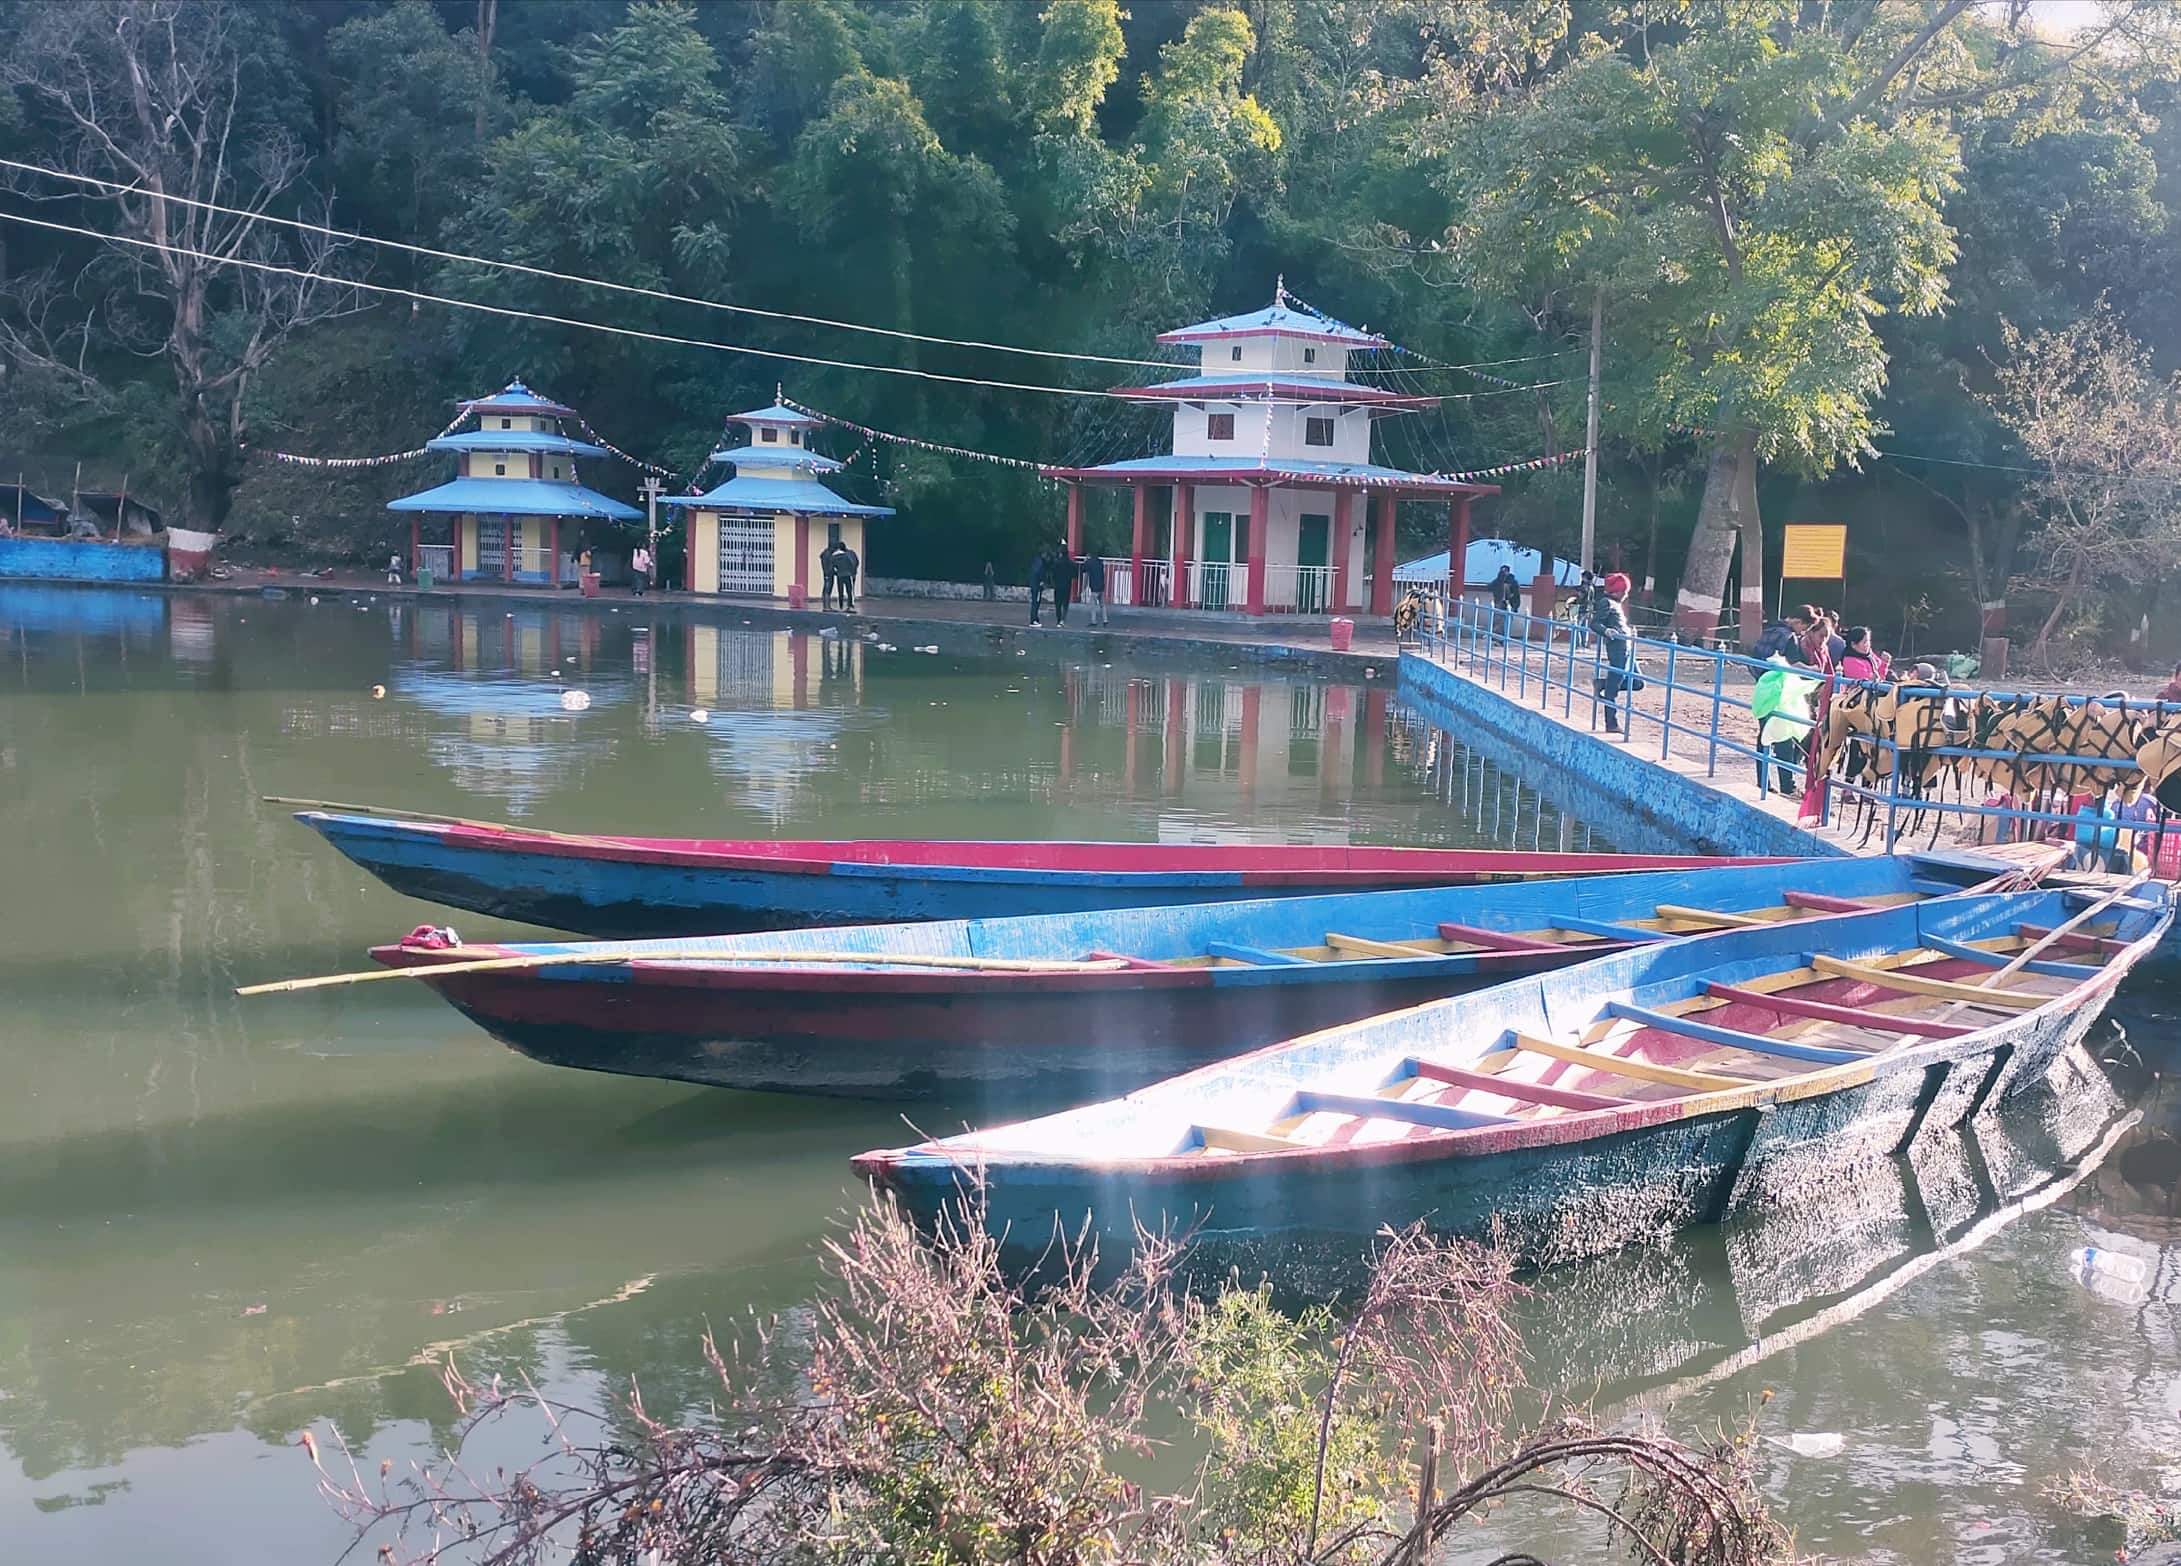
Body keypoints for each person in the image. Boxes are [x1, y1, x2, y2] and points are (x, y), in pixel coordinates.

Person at [1750, 654, 1819, 797]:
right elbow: (1796, 667)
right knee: (1784, 742)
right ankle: (1787, 786)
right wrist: (1813, 671)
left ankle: (1765, 782)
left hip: (1767, 696)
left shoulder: (1775, 642)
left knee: (1765, 740)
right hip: (1778, 698)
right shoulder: (1790, 641)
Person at [1590, 571, 1638, 735]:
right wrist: (1606, 631)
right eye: (1624, 592)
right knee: (1613, 687)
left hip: (1627, 648)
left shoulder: (1615, 603)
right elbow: (1595, 623)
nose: (1625, 595)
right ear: (1617, 592)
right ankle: (1611, 723)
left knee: (1638, 682)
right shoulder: (1606, 602)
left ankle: (1602, 684)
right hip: (1618, 648)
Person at [1051, 536, 1077, 625]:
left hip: (1058, 586)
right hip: (1067, 585)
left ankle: (1058, 620)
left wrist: (1053, 582)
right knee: (1065, 603)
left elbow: (1053, 574)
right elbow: (1075, 574)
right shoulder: (1071, 564)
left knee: (1057, 604)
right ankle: (1063, 619)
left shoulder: (1056, 563)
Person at [1080, 551, 1108, 626]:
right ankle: (1105, 620)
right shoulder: (1100, 562)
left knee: (1093, 605)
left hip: (1094, 587)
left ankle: (1094, 621)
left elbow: (1083, 569)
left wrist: (1085, 561)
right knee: (1102, 604)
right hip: (1101, 586)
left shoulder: (1089, 562)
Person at [1027, 547, 1050, 625]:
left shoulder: (1036, 561)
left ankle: (1035, 618)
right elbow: (1040, 573)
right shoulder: (1040, 563)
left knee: (1035, 602)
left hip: (1034, 584)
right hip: (1037, 585)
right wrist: (1042, 581)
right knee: (1036, 602)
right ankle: (1034, 620)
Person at [834, 543, 859, 611]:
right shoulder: (850, 554)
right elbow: (855, 563)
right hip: (849, 574)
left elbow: (834, 566)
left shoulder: (835, 556)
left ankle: (841, 606)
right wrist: (853, 572)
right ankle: (850, 605)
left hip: (840, 575)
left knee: (840, 590)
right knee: (850, 590)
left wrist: (836, 572)